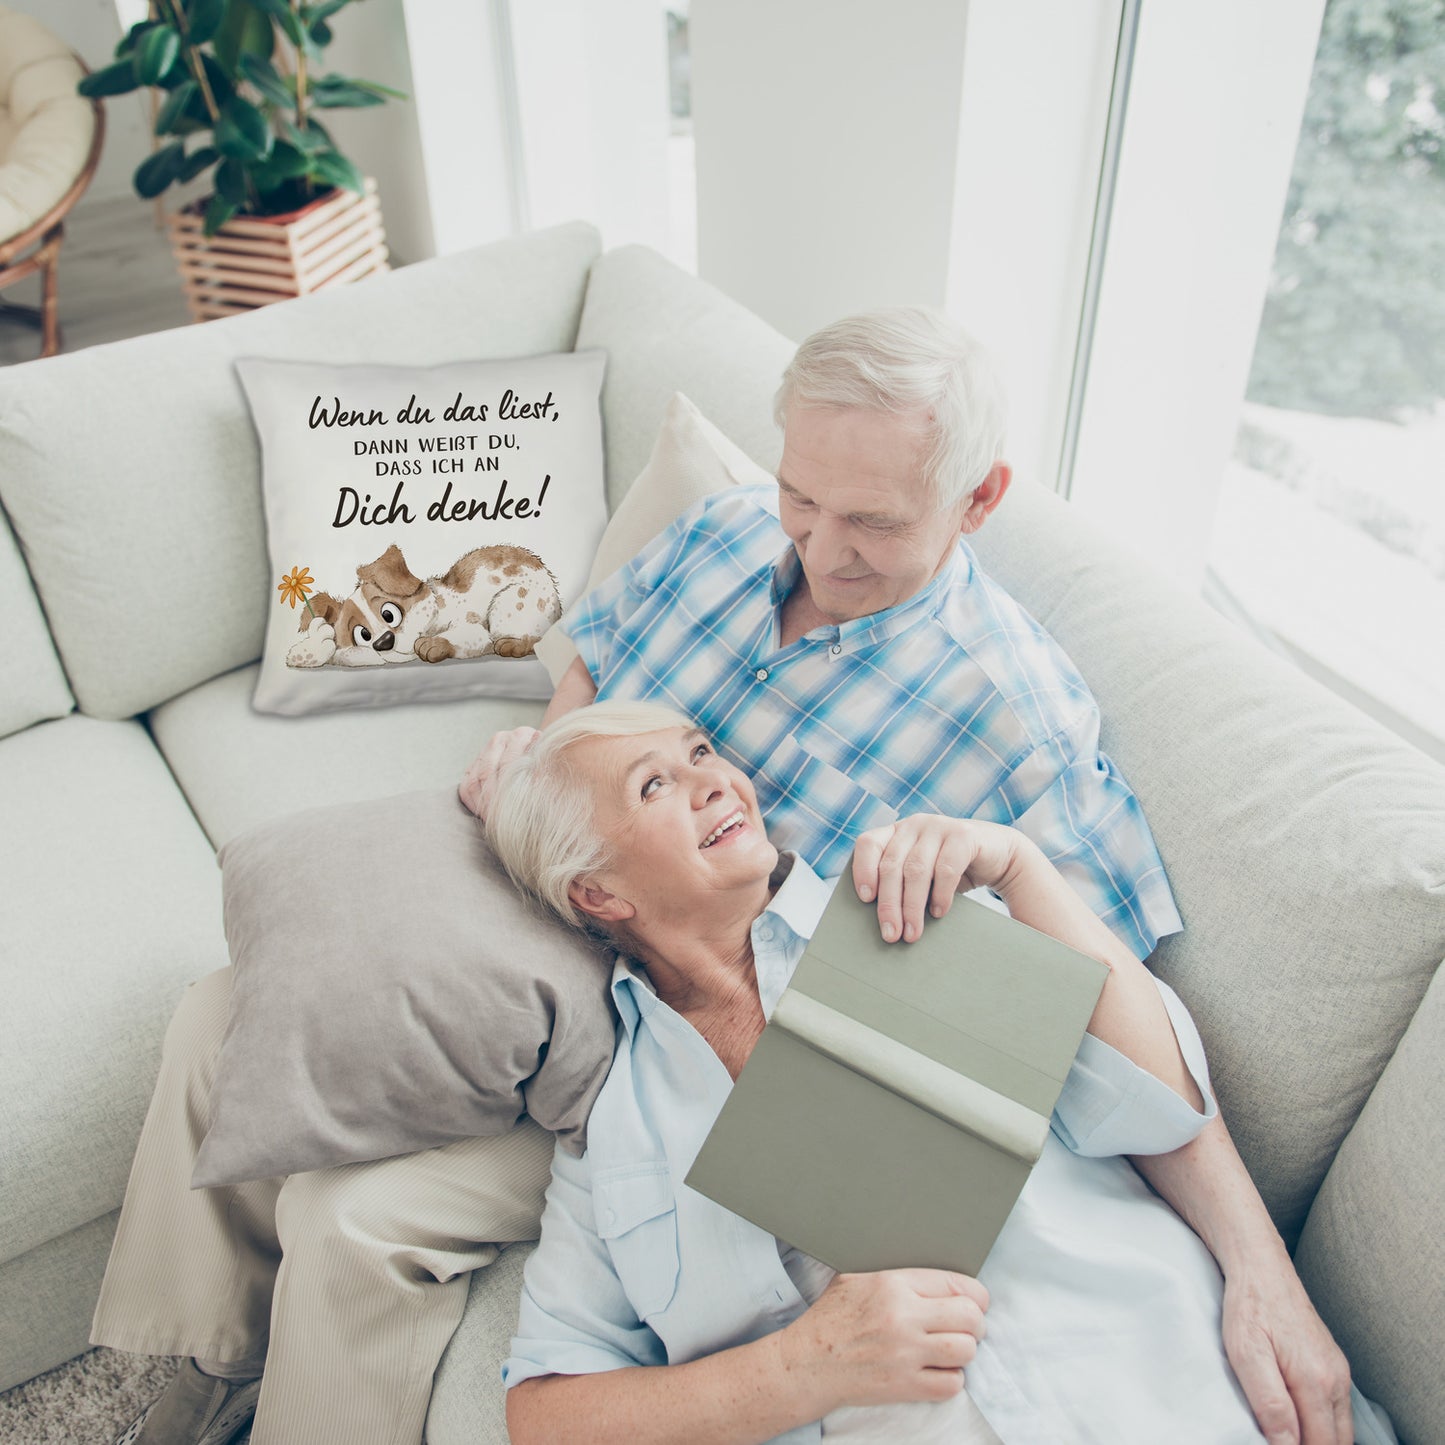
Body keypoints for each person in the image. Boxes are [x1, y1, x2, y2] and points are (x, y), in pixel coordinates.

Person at [94, 309, 1348, 1445]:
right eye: (804, 495)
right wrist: (545, 765)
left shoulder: (1016, 724)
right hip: (581, 888)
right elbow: (593, 666)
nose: (818, 545)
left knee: (355, 1218)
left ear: (976, 501)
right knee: (229, 1007)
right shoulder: (726, 532)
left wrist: (1260, 1267)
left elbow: (1103, 1021)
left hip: (692, 1014)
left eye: (871, 521)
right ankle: (192, 1363)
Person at [486, 701, 1380, 1445]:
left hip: (1171, 1390)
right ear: (597, 893)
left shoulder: (908, 906)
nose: (714, 779)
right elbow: (545, 1413)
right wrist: (801, 1368)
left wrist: (1021, 868)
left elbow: (1157, 1105)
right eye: (655, 784)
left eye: (700, 752)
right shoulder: (615, 1132)